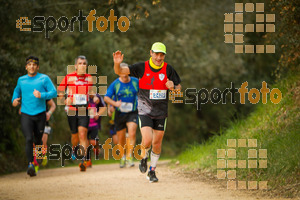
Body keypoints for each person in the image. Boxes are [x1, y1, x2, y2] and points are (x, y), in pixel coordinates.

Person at [113, 42, 181, 182]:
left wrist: (173, 86)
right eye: (156, 54)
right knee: (148, 140)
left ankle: (152, 171)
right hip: (144, 110)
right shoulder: (141, 67)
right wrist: (117, 63)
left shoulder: (169, 69)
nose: (158, 57)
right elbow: (120, 72)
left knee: (157, 142)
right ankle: (144, 157)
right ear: (151, 53)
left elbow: (178, 88)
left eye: (161, 54)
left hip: (161, 112)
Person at [12, 56, 57, 177]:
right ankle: (31, 164)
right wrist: (14, 100)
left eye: (34, 64)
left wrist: (41, 94)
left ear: (37, 67)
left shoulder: (44, 79)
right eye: (29, 64)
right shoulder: (21, 80)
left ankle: (40, 155)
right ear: (26, 67)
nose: (32, 66)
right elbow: (16, 92)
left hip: (40, 114)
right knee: (28, 139)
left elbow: (54, 92)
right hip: (26, 114)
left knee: (38, 140)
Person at [57, 55, 93, 172]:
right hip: (71, 110)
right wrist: (64, 100)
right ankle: (74, 147)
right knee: (75, 136)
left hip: (84, 109)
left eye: (84, 63)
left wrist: (94, 97)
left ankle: (82, 160)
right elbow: (60, 92)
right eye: (80, 63)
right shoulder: (69, 77)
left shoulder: (89, 78)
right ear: (76, 66)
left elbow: (90, 92)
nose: (82, 65)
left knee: (83, 134)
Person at [104, 64, 139, 168]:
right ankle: (123, 156)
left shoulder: (135, 81)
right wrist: (114, 104)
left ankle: (129, 156)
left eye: (126, 72)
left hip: (132, 111)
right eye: (122, 72)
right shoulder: (115, 84)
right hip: (119, 113)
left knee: (132, 133)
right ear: (119, 73)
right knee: (121, 137)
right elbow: (106, 98)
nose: (124, 75)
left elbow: (143, 91)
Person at [86, 94, 106, 167]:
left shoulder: (97, 96)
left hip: (94, 124)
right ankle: (88, 160)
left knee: (93, 142)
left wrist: (98, 114)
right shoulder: (82, 96)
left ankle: (96, 149)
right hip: (85, 124)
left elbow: (104, 107)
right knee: (86, 143)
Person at [41, 99, 56, 166]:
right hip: (32, 120)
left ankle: (43, 154)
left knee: (43, 143)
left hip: (44, 120)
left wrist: (49, 113)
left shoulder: (44, 93)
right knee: (35, 143)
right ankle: (36, 163)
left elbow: (53, 105)